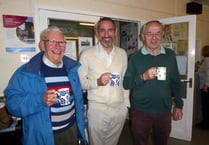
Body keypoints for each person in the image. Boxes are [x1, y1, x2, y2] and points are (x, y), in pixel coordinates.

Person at [4, 26, 87, 145]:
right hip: (42, 137)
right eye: (52, 42)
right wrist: (40, 100)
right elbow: (12, 105)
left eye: (62, 42)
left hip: (71, 132)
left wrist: (82, 124)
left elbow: (78, 103)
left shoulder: (72, 69)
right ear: (42, 45)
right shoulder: (26, 72)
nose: (58, 46)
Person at [123, 20, 183, 145]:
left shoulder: (170, 55)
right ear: (143, 36)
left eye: (158, 33)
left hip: (164, 111)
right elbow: (127, 84)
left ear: (162, 35)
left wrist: (179, 104)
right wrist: (143, 77)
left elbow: (176, 82)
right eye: (150, 33)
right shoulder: (135, 57)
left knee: (162, 142)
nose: (154, 37)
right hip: (140, 112)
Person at [78, 17, 130, 145]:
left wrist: (126, 106)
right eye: (102, 30)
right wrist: (98, 82)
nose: (106, 34)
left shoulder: (122, 54)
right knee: (96, 142)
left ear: (115, 31)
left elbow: (124, 81)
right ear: (97, 32)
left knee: (113, 142)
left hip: (119, 108)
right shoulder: (87, 54)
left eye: (110, 30)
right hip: (97, 109)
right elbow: (80, 82)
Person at [196, 45, 209, 129]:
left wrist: (206, 84)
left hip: (206, 86)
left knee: (206, 106)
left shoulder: (208, 60)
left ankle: (205, 124)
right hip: (207, 85)